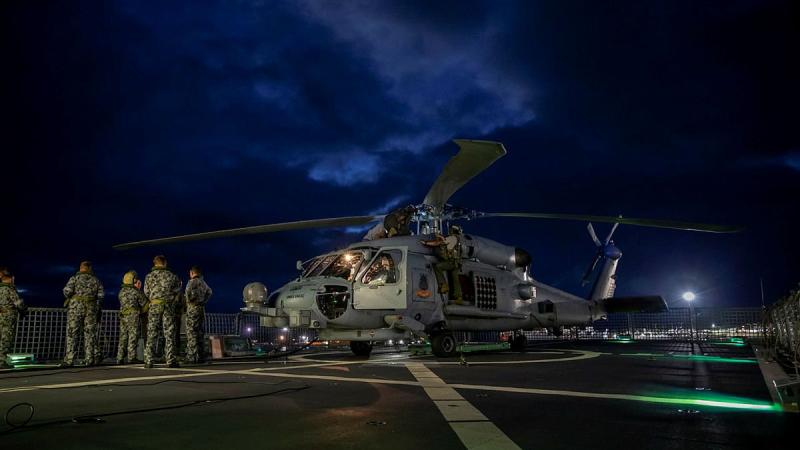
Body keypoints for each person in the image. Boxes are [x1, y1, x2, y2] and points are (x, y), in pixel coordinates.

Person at [61, 261, 105, 367]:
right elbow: (101, 295)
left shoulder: (74, 278)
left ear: (81, 268)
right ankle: (89, 359)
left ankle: (70, 360)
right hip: (90, 309)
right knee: (90, 334)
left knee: (72, 334)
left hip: (75, 308)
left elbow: (67, 292)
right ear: (90, 268)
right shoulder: (96, 280)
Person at [143, 255, 182, 368]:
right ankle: (170, 359)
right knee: (169, 333)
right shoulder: (171, 276)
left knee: (151, 332)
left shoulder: (149, 276)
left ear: (155, 263)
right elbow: (177, 290)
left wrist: (154, 298)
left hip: (154, 305)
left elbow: (146, 292)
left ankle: (148, 360)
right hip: (168, 306)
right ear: (165, 263)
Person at [420, 225, 463, 303]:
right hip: (456, 263)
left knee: (438, 267)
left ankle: (443, 285)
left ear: (452, 231)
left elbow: (438, 243)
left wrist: (426, 242)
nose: (449, 231)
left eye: (450, 230)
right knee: (455, 280)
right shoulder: (457, 239)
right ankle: (459, 297)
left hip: (451, 262)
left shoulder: (452, 238)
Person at [116, 270, 146, 364]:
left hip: (123, 315)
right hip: (133, 316)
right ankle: (131, 357)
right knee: (133, 336)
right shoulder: (135, 291)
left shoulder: (121, 291)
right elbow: (144, 303)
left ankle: (119, 357)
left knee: (123, 336)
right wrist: (138, 289)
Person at [184, 266, 212, 364]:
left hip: (192, 308)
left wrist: (190, 302)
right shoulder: (203, 283)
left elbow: (187, 294)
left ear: (192, 273)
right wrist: (204, 301)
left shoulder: (191, 282)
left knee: (191, 332)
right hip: (201, 309)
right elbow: (210, 292)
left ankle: (191, 356)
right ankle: (201, 356)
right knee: (200, 333)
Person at [0, 268, 26, 369]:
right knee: (6, 338)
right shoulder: (10, 288)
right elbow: (18, 303)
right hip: (7, 316)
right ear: (12, 278)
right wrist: (23, 311)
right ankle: (1, 361)